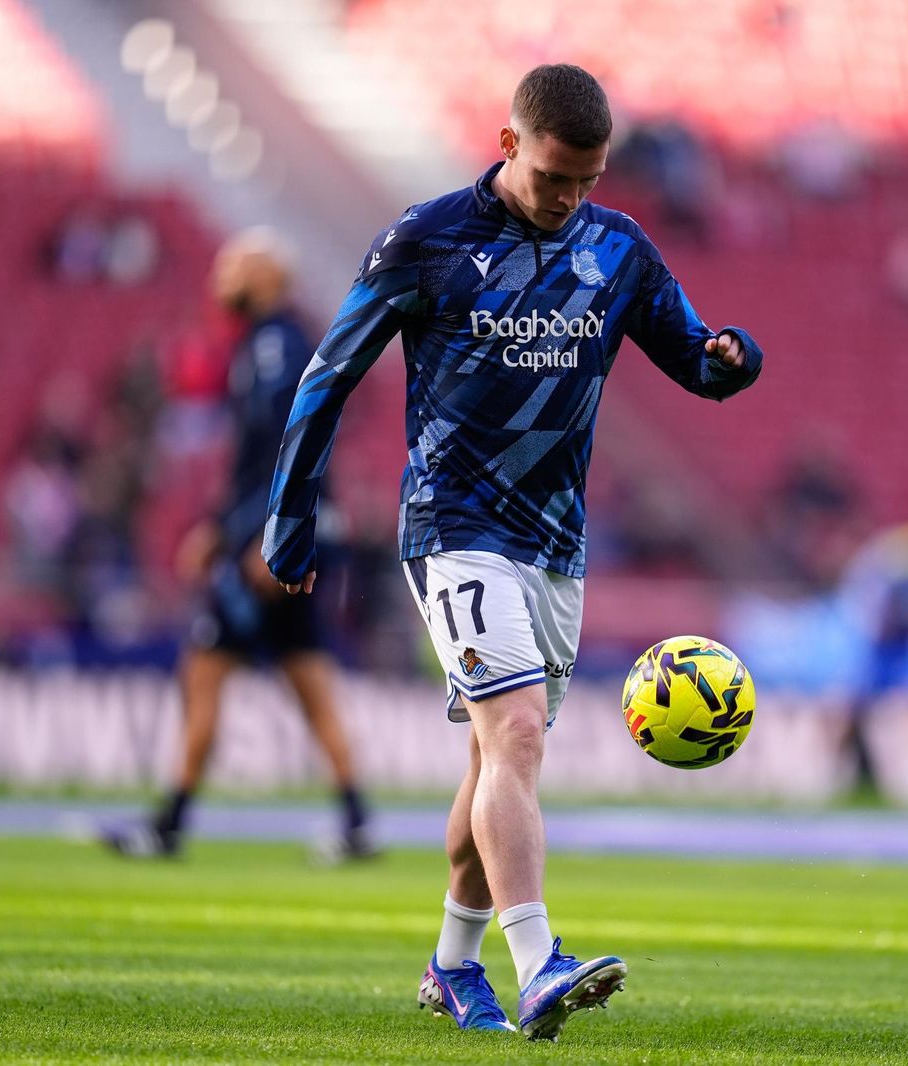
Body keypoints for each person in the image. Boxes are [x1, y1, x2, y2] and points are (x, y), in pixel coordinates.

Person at [261, 65, 763, 1041]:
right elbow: (328, 376)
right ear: (507, 144)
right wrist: (291, 515)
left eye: (587, 180)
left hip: (554, 542)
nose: (569, 198)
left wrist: (734, 357)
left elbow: (696, 360)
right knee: (519, 732)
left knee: (499, 758)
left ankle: (453, 965)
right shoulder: (427, 239)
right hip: (453, 525)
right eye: (552, 177)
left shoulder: (617, 248)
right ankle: (539, 964)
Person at [104, 228, 374, 861]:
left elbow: (288, 443)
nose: (222, 278)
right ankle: (356, 821)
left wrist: (257, 535)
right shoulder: (265, 343)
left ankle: (168, 825)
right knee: (307, 676)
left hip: (270, 542)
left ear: (270, 276)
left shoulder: (276, 346)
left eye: (236, 267)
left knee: (206, 668)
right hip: (282, 533)